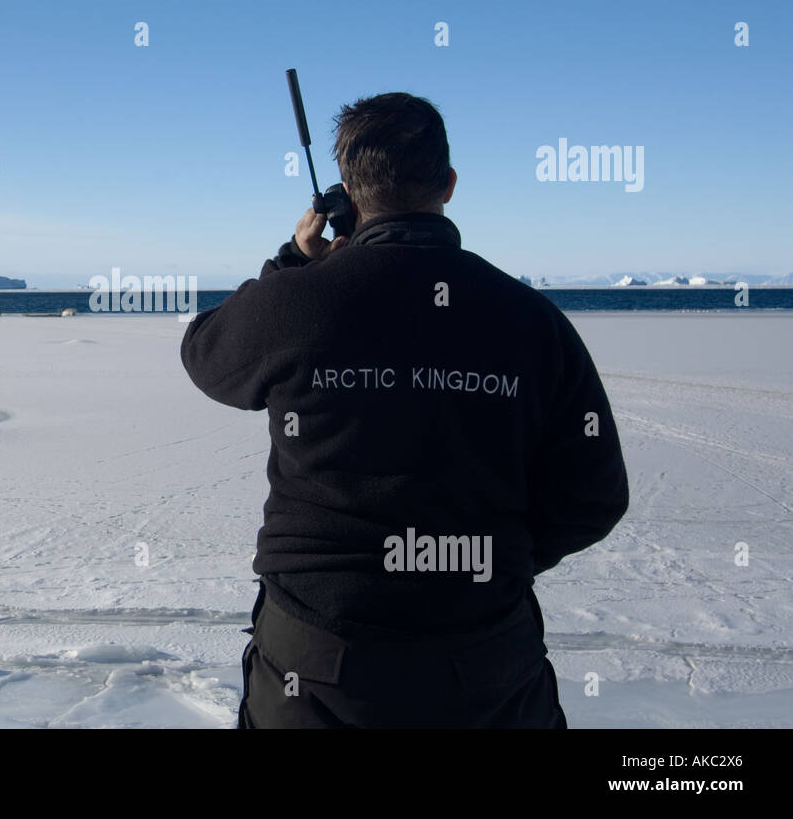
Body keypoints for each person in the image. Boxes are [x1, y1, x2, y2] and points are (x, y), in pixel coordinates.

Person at [180, 92, 629, 728]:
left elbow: (206, 354)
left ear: (346, 194)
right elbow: (594, 497)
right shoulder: (531, 321)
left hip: (315, 656)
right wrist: (488, 559)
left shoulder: (295, 303)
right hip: (484, 656)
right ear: (447, 184)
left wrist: (290, 264)